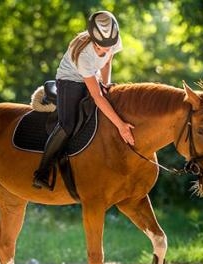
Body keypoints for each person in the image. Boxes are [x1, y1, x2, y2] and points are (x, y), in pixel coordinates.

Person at [33, 10, 135, 189]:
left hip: (92, 75)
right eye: (102, 47)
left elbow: (107, 61)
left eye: (110, 46)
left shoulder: (111, 40)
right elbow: (97, 97)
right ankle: (42, 171)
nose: (107, 49)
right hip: (70, 79)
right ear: (94, 40)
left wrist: (106, 83)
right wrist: (121, 126)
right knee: (68, 125)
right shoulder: (83, 55)